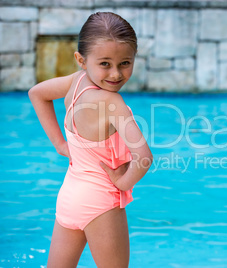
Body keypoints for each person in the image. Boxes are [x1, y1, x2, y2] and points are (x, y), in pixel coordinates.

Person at [29, 12, 153, 267]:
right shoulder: (112, 103)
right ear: (81, 60)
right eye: (105, 63)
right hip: (101, 204)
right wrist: (121, 183)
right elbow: (144, 158)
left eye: (125, 63)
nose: (116, 74)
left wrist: (60, 145)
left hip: (69, 197)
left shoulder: (75, 82)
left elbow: (37, 93)